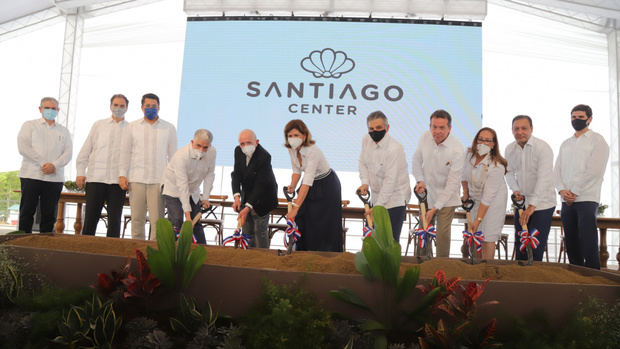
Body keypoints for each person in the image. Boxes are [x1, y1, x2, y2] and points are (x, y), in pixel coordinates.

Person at [553, 104, 609, 269]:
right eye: (573, 117)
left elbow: (594, 171)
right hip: (566, 201)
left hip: (586, 198)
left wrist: (574, 192)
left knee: (588, 240)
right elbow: (557, 170)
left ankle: (592, 279)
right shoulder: (566, 143)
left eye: (580, 117)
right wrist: (562, 191)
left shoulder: (598, 140)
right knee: (571, 241)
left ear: (589, 119)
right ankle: (575, 277)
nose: (576, 120)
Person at [119, 93, 177, 240]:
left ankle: (154, 255)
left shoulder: (169, 128)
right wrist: (122, 175)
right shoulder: (132, 127)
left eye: (154, 106)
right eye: (147, 106)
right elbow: (125, 153)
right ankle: (137, 253)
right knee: (137, 219)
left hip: (159, 180)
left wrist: (172, 180)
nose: (151, 108)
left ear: (159, 107)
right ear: (142, 107)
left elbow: (173, 156)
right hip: (136, 179)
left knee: (157, 221)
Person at [284, 119, 343, 252]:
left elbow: (307, 181)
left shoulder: (312, 151)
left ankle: (326, 257)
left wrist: (295, 208)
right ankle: (303, 252)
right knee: (304, 220)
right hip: (310, 185)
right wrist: (293, 185)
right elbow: (297, 171)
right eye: (290, 136)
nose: (293, 139)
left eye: (296, 135)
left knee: (323, 224)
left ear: (304, 136)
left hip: (326, 186)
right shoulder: (291, 150)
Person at [412, 109, 464, 257]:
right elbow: (416, 160)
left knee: (442, 234)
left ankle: (441, 269)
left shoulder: (457, 149)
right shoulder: (424, 137)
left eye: (442, 127)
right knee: (423, 230)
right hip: (427, 195)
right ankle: (421, 264)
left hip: (447, 198)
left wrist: (435, 208)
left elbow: (452, 184)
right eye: (434, 127)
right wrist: (420, 180)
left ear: (449, 128)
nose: (437, 131)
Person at [75, 94, 129, 237]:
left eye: (122, 106)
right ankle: (85, 251)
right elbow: (86, 149)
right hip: (95, 179)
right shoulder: (98, 125)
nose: (118, 108)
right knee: (90, 219)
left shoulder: (131, 129)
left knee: (115, 221)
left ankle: (112, 255)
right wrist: (80, 171)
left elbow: (133, 157)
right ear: (110, 106)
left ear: (127, 108)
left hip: (118, 182)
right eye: (116, 105)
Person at [17, 97, 72, 233]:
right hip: (31, 175)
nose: (50, 111)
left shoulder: (63, 131)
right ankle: (23, 243)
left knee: (49, 215)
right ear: (40, 109)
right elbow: (23, 147)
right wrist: (42, 163)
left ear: (58, 110)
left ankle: (45, 245)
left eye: (53, 108)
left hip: (54, 178)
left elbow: (68, 152)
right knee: (27, 211)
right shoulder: (29, 125)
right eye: (47, 108)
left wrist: (54, 165)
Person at [505, 115, 556, 261]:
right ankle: (520, 281)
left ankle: (535, 282)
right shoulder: (510, 149)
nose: (520, 132)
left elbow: (544, 178)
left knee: (535, 247)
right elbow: (508, 172)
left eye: (524, 128)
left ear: (531, 129)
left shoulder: (543, 148)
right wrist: (515, 190)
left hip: (542, 205)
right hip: (521, 204)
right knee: (521, 244)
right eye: (516, 129)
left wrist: (532, 206)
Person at [357, 111, 411, 241]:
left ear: (387, 128)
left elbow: (390, 181)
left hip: (395, 199)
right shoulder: (366, 140)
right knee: (372, 239)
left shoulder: (395, 149)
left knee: (389, 242)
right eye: (371, 128)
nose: (374, 131)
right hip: (376, 198)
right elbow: (362, 162)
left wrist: (378, 207)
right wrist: (365, 182)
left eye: (378, 128)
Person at [461, 127, 508, 260]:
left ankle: (487, 269)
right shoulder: (468, 155)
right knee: (475, 233)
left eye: (488, 140)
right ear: (476, 140)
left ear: (493, 144)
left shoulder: (497, 166)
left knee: (487, 235)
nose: (483, 143)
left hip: (493, 203)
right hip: (475, 200)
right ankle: (475, 266)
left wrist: (478, 219)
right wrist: (465, 193)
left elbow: (487, 198)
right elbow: (463, 176)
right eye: (481, 139)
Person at [162, 129, 215, 244]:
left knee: (196, 223)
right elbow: (182, 185)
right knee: (177, 220)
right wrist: (188, 216)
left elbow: (210, 175)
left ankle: (202, 251)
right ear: (192, 142)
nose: (201, 150)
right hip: (174, 189)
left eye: (205, 147)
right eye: (198, 146)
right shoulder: (181, 156)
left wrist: (205, 197)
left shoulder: (212, 152)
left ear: (210, 146)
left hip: (193, 190)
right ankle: (174, 251)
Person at [231, 129, 278, 248]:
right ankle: (247, 260)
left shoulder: (265, 156)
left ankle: (263, 261)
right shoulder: (238, 151)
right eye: (242, 144)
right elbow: (236, 174)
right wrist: (236, 197)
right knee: (247, 232)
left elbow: (260, 185)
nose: (245, 146)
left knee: (259, 232)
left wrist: (247, 208)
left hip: (264, 197)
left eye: (249, 143)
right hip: (247, 194)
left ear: (256, 142)